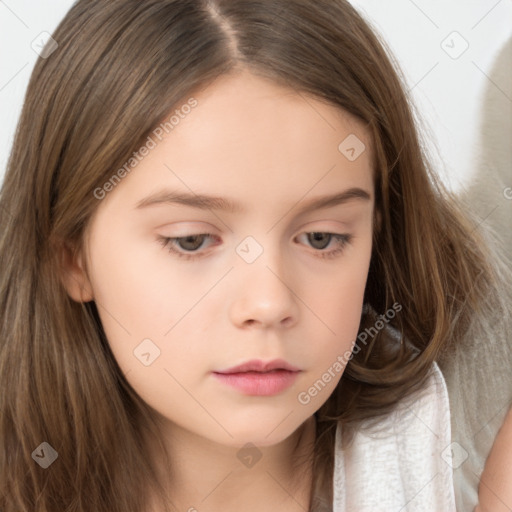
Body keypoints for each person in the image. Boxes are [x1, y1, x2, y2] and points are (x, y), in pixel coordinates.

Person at [0, 1, 510, 511]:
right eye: (192, 241)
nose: (269, 303)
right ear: (72, 257)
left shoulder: (457, 423)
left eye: (321, 237)